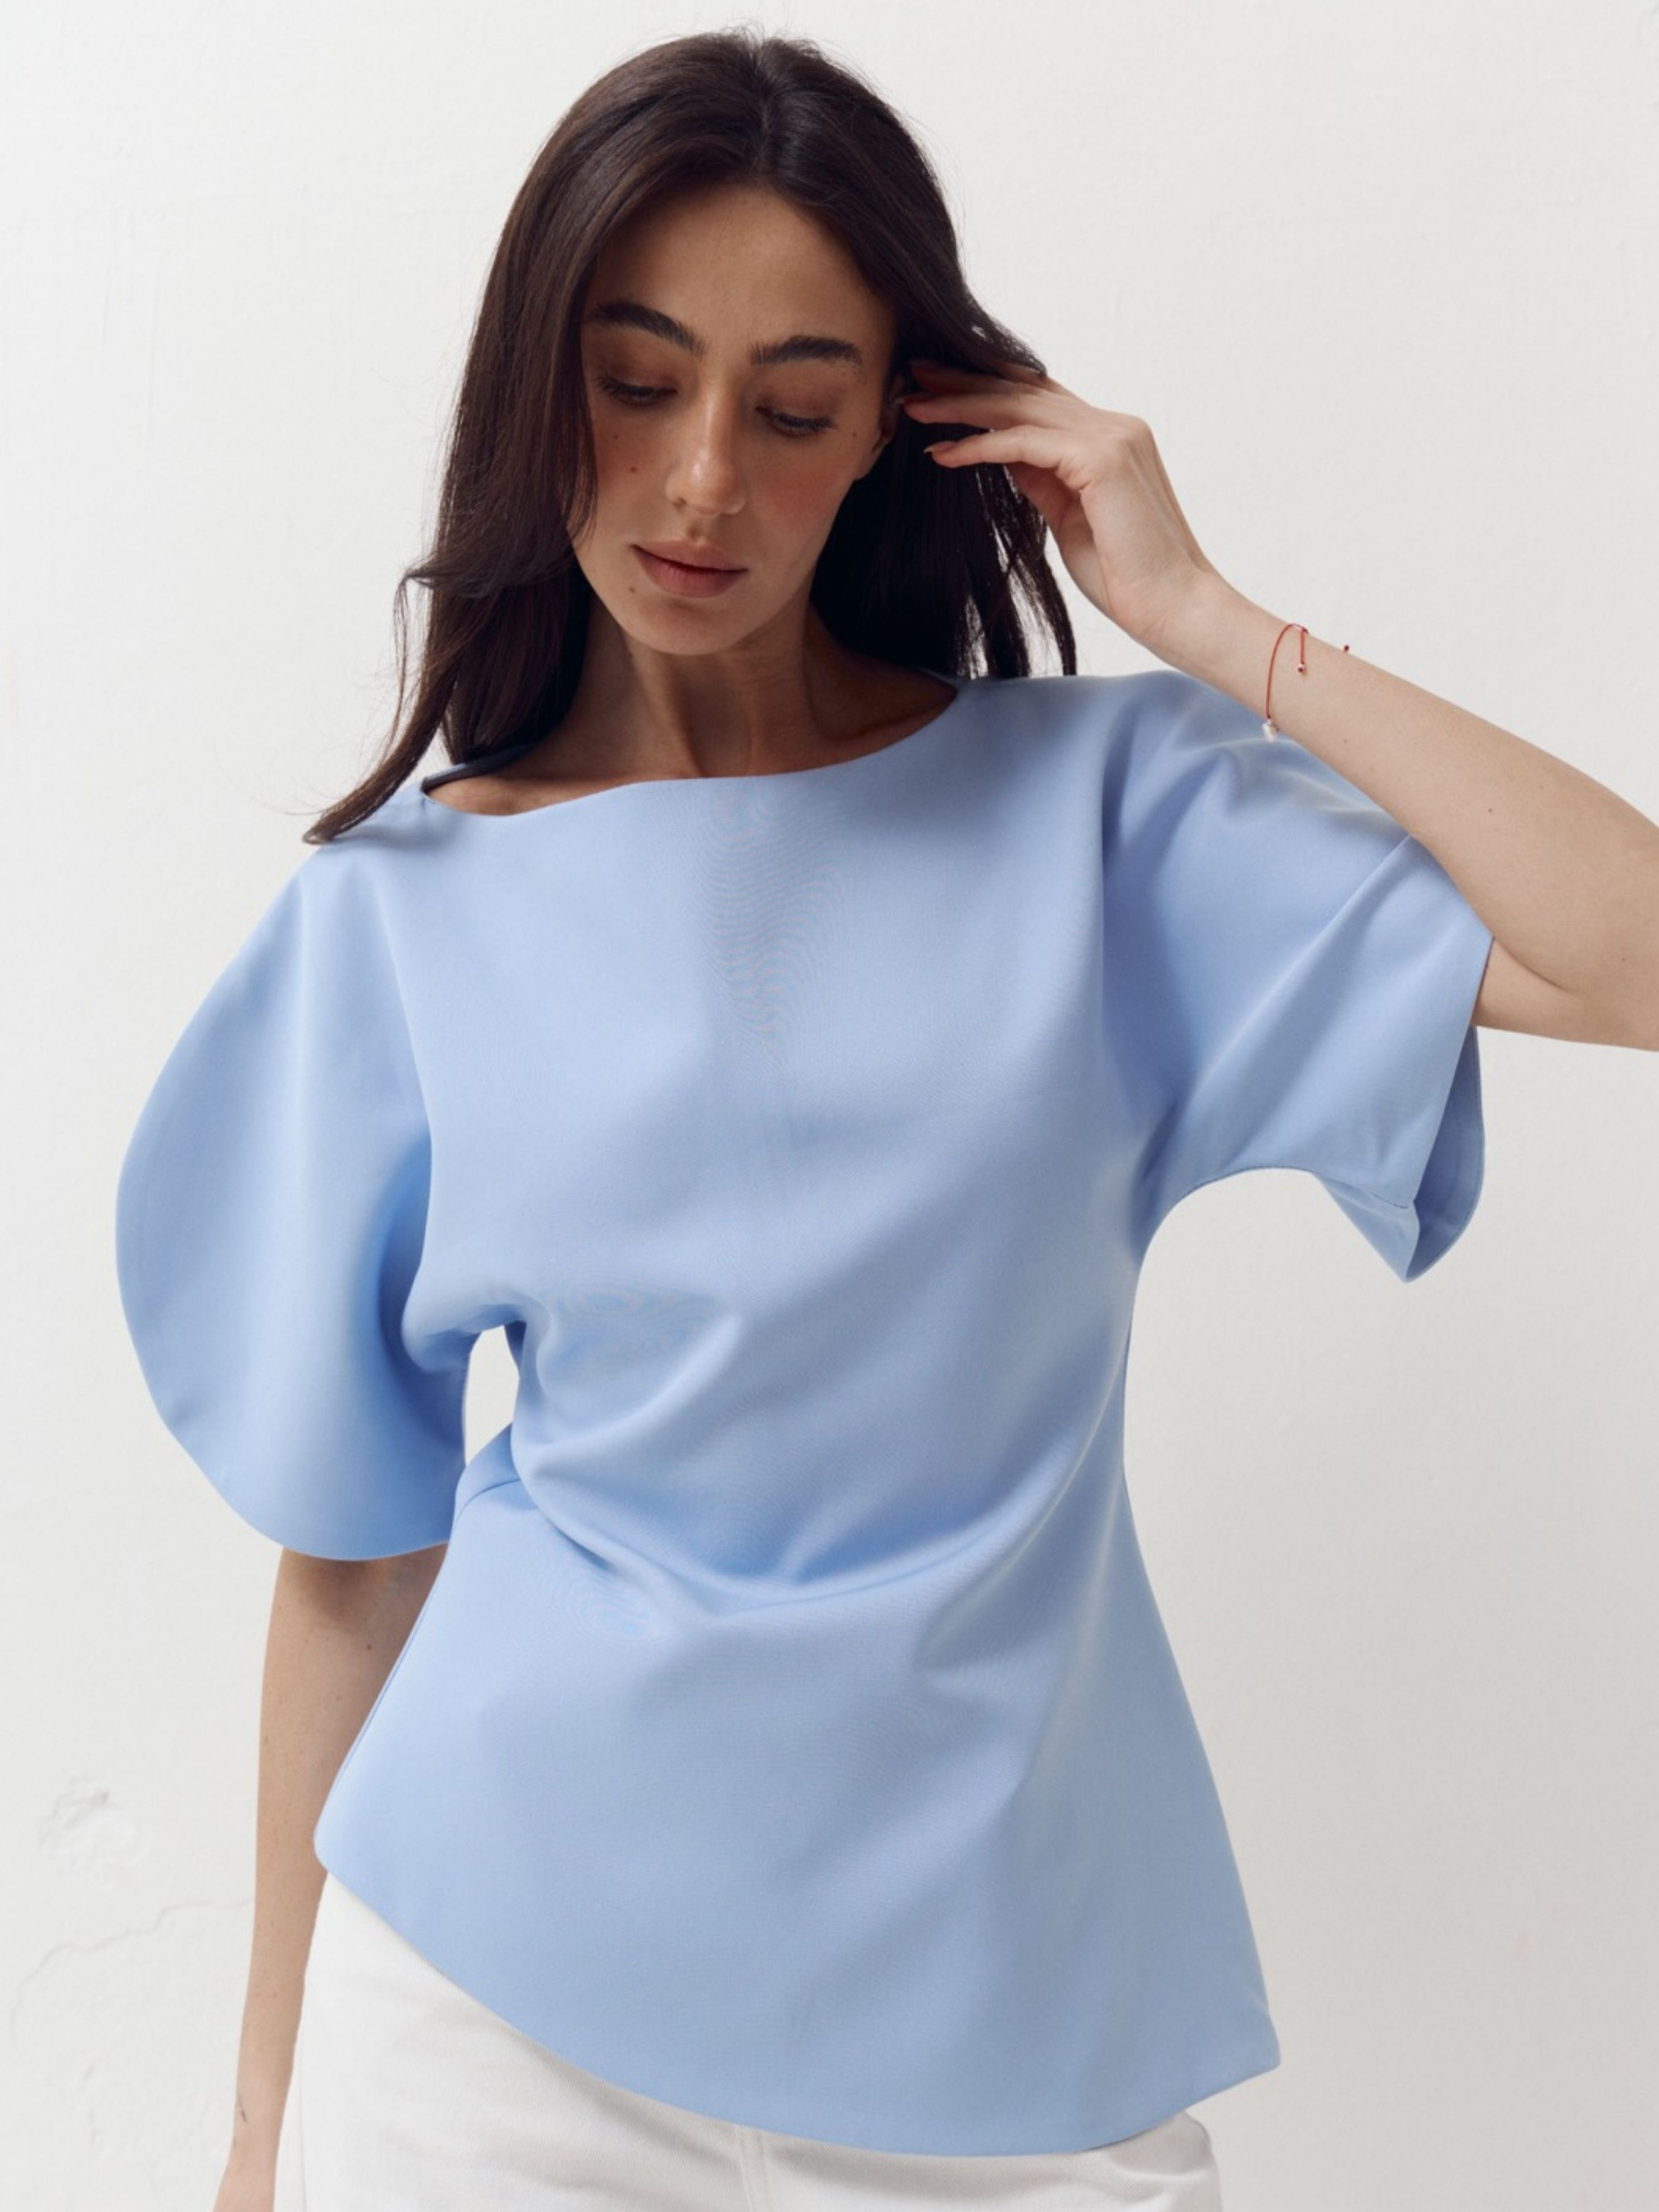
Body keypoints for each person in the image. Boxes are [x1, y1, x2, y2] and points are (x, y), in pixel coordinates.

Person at [111, 27, 1659, 2212]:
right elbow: (355, 1554)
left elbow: (1630, 959)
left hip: (1014, 2043)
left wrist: (1212, 625)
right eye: (634, 381)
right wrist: (260, 2132)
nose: (699, 482)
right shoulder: (398, 916)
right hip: (485, 2022)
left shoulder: (1100, 826)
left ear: (899, 430)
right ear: (536, 379)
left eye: (792, 407)